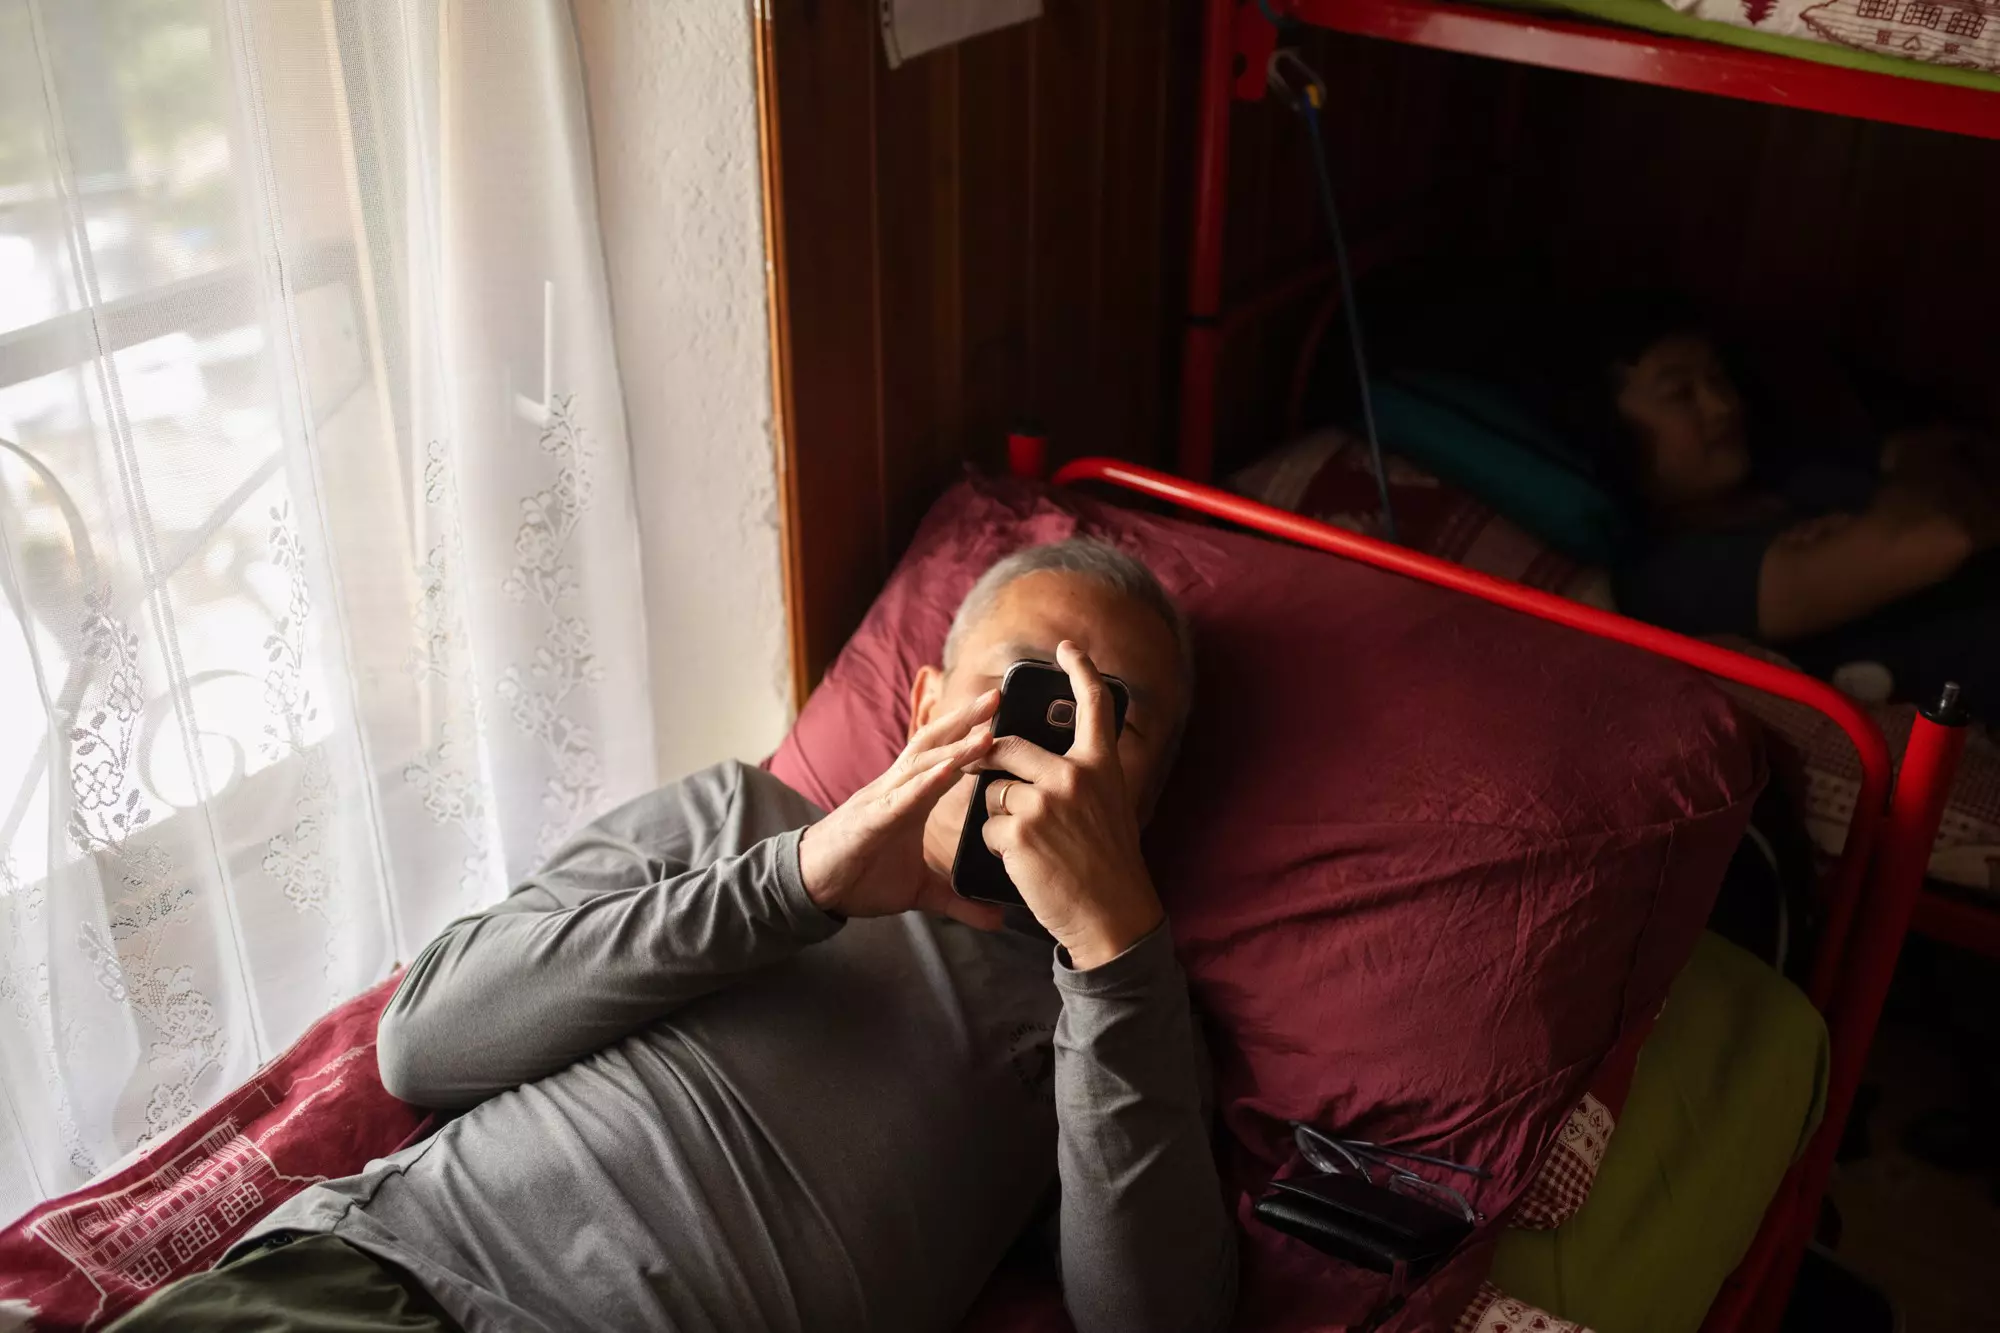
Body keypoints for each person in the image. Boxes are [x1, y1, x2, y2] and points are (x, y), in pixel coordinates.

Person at [106, 539, 1235, 1333]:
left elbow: (1153, 1319)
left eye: (1113, 716)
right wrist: (801, 879)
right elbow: (422, 1041)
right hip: (398, 1280)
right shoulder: (742, 815)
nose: (1060, 738)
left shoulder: (1127, 1007)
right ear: (926, 700)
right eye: (1027, 685)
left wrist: (1110, 953)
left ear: (1148, 793)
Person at [1593, 300, 2000, 716]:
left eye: (1718, 377)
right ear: (1614, 432)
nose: (1723, 405)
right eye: (1680, 394)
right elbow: (1939, 537)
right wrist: (1919, 496)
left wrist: (1906, 499)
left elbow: (1952, 449)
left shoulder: (1785, 473)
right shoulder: (1668, 576)